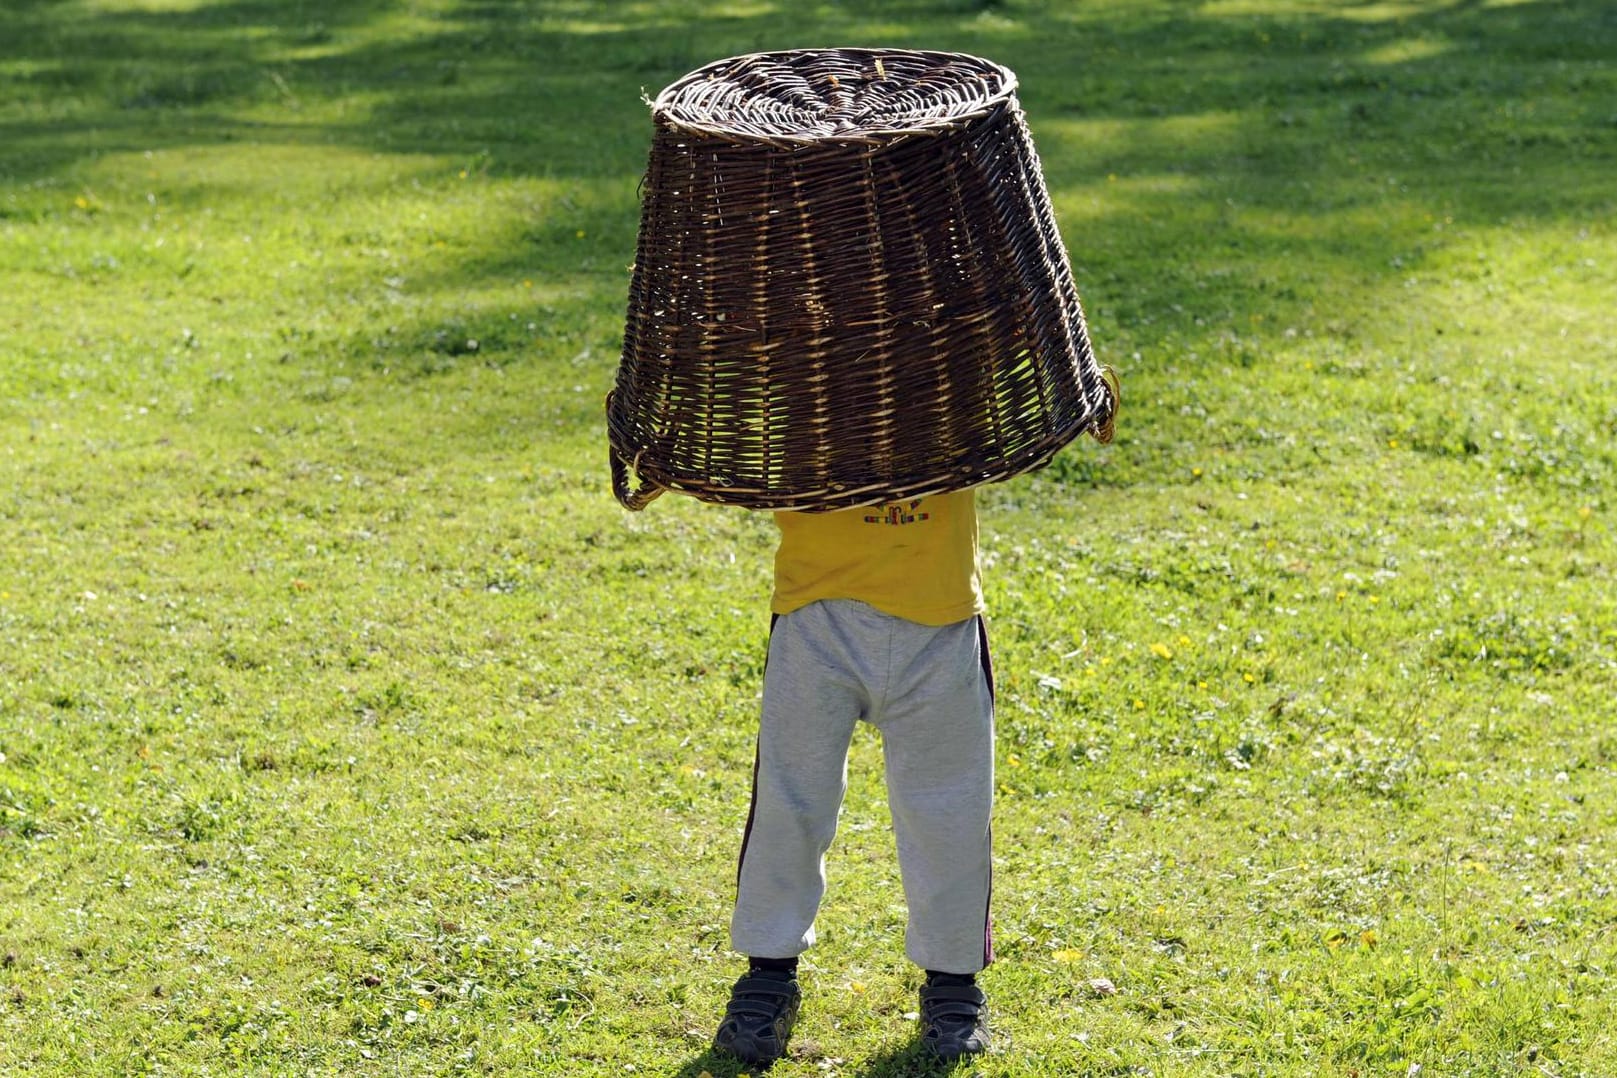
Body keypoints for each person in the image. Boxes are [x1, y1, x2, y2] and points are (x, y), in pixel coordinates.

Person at [713, 487, 997, 1066]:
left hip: (937, 611)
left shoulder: (948, 395)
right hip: (815, 610)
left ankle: (953, 987)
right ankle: (768, 977)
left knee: (951, 811)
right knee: (791, 802)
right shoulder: (802, 394)